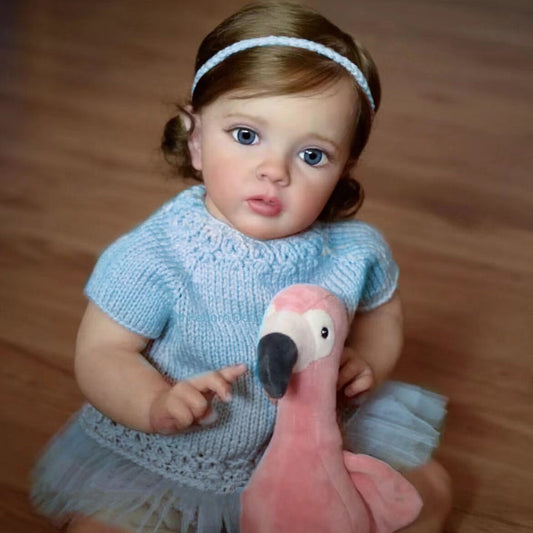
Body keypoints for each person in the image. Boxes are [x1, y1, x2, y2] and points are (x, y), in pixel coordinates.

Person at [31, 2, 452, 532]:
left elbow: (382, 313)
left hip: (311, 443)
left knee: (429, 492)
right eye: (247, 136)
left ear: (344, 169)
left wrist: (366, 359)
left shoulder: (353, 252)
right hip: (176, 453)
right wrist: (155, 402)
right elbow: (101, 352)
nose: (274, 171)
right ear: (196, 138)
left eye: (312, 156)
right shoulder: (158, 254)